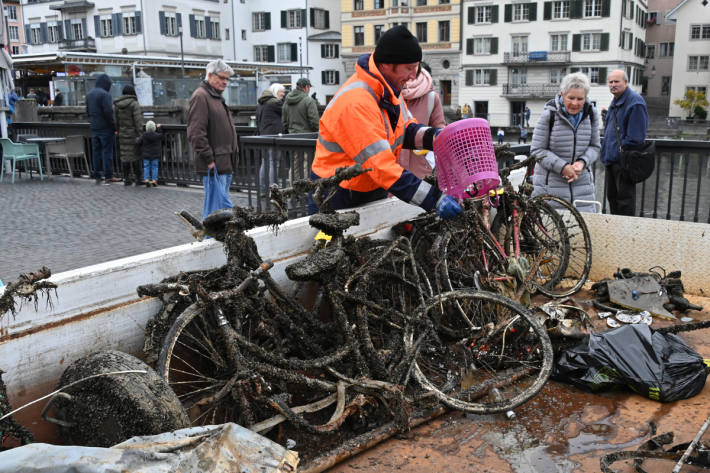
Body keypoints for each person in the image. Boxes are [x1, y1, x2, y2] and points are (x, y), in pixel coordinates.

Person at [309, 24, 461, 219]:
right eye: (409, 68)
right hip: (337, 194)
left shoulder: (388, 92)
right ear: (387, 65)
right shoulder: (357, 101)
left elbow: (407, 130)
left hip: (367, 187)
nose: (414, 75)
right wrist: (434, 198)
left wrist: (436, 137)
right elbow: (381, 165)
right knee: (335, 248)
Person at [530, 72, 600, 213]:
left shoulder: (591, 115)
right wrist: (563, 167)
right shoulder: (548, 116)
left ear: (586, 98)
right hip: (550, 189)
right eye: (571, 98)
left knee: (583, 231)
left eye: (580, 99)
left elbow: (595, 147)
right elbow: (537, 151)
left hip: (583, 189)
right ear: (562, 95)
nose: (575, 103)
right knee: (552, 232)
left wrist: (582, 162)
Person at [187, 59, 239, 219]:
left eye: (227, 79)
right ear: (210, 75)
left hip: (224, 162)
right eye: (222, 78)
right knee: (216, 212)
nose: (225, 82)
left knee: (219, 211)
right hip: (215, 165)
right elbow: (196, 132)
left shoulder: (214, 97)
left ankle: (215, 241)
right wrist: (209, 160)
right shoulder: (201, 96)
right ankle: (211, 242)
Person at [600, 69, 649, 216]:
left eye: (617, 81)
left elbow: (636, 137)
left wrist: (618, 153)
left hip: (624, 162)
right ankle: (616, 234)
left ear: (626, 82)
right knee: (613, 201)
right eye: (610, 82)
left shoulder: (635, 102)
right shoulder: (615, 101)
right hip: (611, 161)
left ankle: (626, 235)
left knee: (625, 204)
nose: (613, 85)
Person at [398, 61, 445, 178]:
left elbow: (441, 134)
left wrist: (429, 162)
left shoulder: (431, 98)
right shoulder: (390, 92)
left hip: (417, 169)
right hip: (392, 170)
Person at [86, 73, 120, 184]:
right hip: (105, 128)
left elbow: (87, 111)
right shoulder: (105, 95)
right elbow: (108, 112)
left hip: (94, 127)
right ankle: (108, 175)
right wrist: (113, 126)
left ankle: (97, 175)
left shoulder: (89, 94)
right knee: (107, 152)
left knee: (96, 152)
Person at [256, 83, 285, 193]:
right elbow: (285, 112)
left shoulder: (261, 104)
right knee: (274, 162)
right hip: (274, 136)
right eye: (281, 91)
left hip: (263, 135)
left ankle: (263, 189)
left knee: (265, 162)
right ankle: (273, 190)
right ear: (274, 91)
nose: (283, 94)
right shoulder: (275, 103)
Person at [113, 85, 144, 186]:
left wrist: (118, 131)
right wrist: (140, 134)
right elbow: (138, 122)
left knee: (125, 157)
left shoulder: (116, 105)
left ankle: (126, 179)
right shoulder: (134, 104)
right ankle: (138, 179)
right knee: (135, 156)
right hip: (133, 134)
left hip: (122, 134)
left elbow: (115, 121)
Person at [136, 120, 163, 187]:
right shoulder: (156, 135)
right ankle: (154, 180)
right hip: (155, 154)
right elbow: (161, 135)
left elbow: (138, 142)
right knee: (155, 167)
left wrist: (137, 139)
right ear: (154, 128)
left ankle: (146, 179)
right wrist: (159, 128)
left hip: (146, 155)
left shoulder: (144, 135)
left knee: (146, 167)